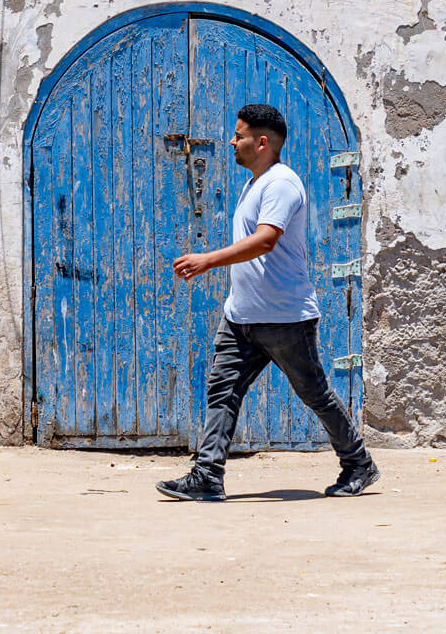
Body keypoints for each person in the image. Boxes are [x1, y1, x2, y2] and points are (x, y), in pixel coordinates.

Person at [155, 103, 378, 502]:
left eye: (238, 135)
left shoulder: (282, 184)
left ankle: (358, 462)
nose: (231, 141)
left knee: (315, 394)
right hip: (241, 316)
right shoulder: (256, 182)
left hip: (285, 317)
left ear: (261, 142)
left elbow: (265, 239)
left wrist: (208, 259)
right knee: (222, 392)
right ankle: (207, 475)